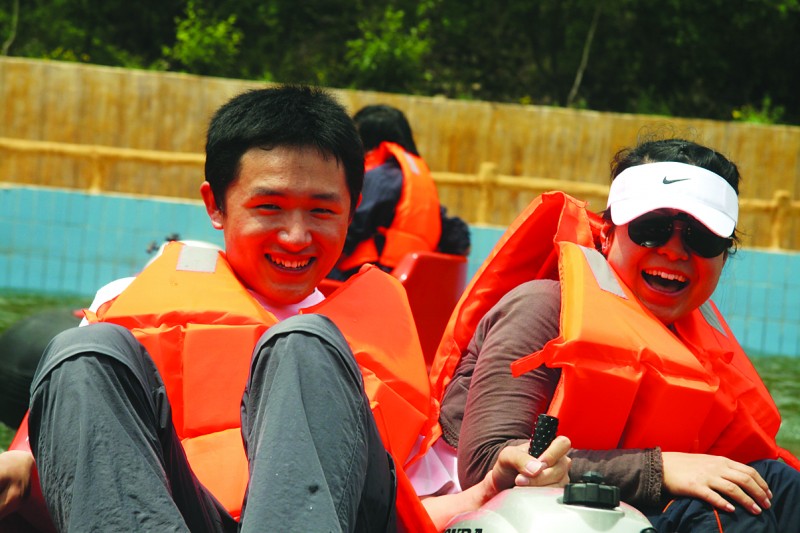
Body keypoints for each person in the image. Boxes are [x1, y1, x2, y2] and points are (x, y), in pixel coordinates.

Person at [0, 85, 569, 533]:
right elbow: (49, 459)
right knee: (84, 348)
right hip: (172, 515)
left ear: (352, 209)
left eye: (322, 211)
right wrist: (23, 466)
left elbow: (413, 511)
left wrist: (487, 489)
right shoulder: (123, 302)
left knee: (305, 342)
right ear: (215, 205)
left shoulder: (368, 337)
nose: (296, 236)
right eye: (269, 207)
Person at [428, 137, 800, 532]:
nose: (674, 251)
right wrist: (660, 469)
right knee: (726, 512)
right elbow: (485, 463)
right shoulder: (541, 307)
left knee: (780, 486)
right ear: (607, 232)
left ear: (724, 255)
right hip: (512, 514)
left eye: (701, 238)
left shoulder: (695, 340)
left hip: (627, 510)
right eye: (651, 229)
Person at [328, 104, 444, 280]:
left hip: (369, 276)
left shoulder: (380, 177)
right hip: (411, 279)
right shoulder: (421, 180)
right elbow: (458, 235)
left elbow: (352, 228)